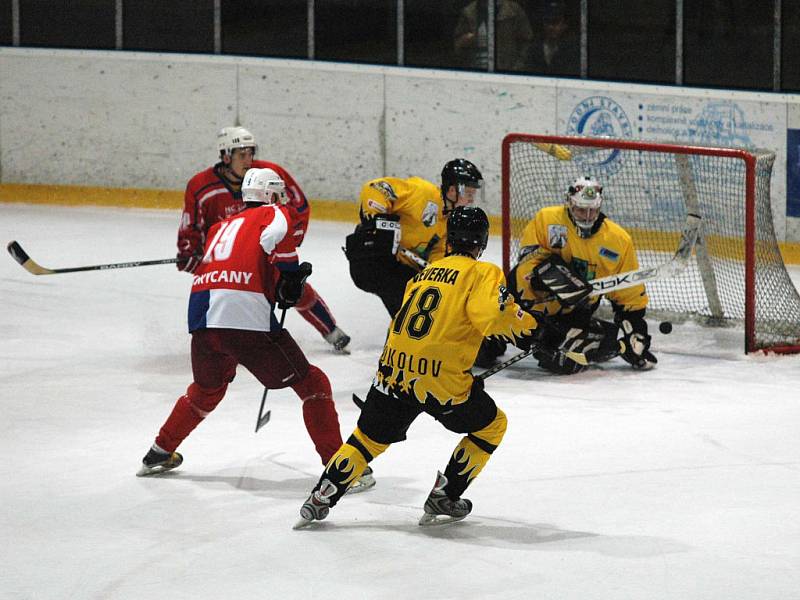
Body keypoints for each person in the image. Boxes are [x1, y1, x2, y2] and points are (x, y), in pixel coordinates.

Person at [294, 205, 541, 529]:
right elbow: (491, 315)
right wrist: (530, 329)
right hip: (440, 382)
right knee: (492, 426)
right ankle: (446, 495)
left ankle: (320, 497)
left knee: (367, 440)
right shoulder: (482, 272)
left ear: (451, 239)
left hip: (392, 371)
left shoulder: (424, 274)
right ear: (481, 241)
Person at [137, 168, 374, 492]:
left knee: (206, 390)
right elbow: (276, 239)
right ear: (272, 195)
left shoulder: (221, 225)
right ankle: (341, 470)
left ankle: (158, 453)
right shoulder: (275, 213)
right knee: (313, 383)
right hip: (243, 316)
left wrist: (282, 284)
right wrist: (290, 273)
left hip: (202, 315)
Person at [176, 126, 351, 353]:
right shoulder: (201, 187)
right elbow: (191, 228)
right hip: (229, 260)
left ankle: (330, 330)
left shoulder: (268, 174)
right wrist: (191, 253)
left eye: (251, 153)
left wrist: (286, 241)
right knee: (234, 297)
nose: (249, 160)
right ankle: (228, 344)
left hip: (266, 253)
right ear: (226, 156)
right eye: (242, 154)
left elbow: (299, 207)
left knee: (296, 289)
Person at [479, 175, 657, 374]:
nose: (587, 216)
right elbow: (527, 260)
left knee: (563, 360)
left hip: (573, 313)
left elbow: (629, 294)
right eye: (581, 210)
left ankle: (569, 339)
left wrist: (636, 330)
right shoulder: (547, 219)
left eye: (593, 211)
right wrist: (549, 280)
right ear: (569, 203)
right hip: (525, 303)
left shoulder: (618, 240)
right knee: (481, 351)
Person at [345, 158, 484, 317]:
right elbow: (375, 188)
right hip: (369, 257)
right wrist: (376, 220)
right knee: (410, 307)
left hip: (396, 267)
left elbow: (437, 257)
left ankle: (401, 338)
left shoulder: (449, 222)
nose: (471, 199)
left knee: (420, 306)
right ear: (452, 190)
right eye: (469, 193)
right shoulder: (422, 192)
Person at [454, 0, 533, 72]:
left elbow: (527, 42)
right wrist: (464, 41)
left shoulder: (513, 11)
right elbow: (457, 47)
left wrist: (516, 68)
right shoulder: (468, 13)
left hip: (507, 73)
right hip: (476, 73)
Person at [528, 0, 580, 77]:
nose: (551, 27)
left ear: (565, 24)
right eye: (547, 22)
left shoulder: (574, 49)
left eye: (556, 22)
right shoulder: (534, 48)